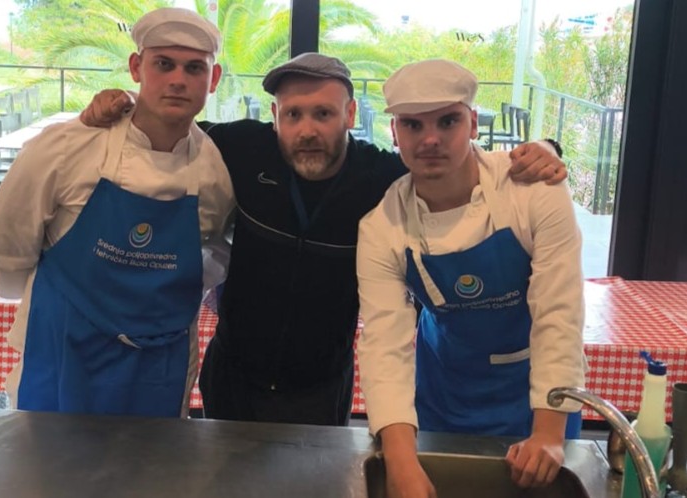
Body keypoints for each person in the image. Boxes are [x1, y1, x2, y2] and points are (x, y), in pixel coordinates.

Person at [80, 52, 567, 426]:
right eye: (293, 115)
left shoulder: (382, 178)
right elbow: (166, 134)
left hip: (321, 387)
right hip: (232, 375)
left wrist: (546, 149)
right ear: (275, 116)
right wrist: (120, 107)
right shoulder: (242, 149)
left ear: (350, 113)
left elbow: (452, 165)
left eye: (323, 114)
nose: (307, 130)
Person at [0, 7, 235, 418]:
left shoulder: (212, 171)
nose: (178, 79)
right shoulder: (67, 147)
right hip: (65, 343)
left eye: (194, 68)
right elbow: (10, 237)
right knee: (48, 454)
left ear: (214, 79)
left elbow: (210, 251)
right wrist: (34, 294)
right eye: (164, 64)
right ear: (136, 67)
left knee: (154, 456)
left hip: (160, 355)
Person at [356, 59, 585, 497]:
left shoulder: (534, 193)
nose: (430, 139)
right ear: (395, 133)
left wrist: (548, 435)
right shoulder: (381, 227)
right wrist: (400, 461)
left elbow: (559, 314)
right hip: (445, 392)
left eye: (448, 121)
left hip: (538, 396)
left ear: (473, 124)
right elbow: (385, 344)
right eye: (412, 124)